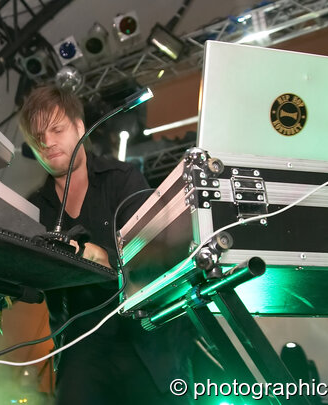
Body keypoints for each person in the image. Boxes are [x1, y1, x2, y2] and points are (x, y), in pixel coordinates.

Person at [19, 84, 198, 404]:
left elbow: (157, 250)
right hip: (82, 348)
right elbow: (25, 279)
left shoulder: (123, 178)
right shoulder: (34, 208)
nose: (46, 142)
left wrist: (106, 257)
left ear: (79, 127)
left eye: (56, 129)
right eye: (37, 139)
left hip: (147, 338)